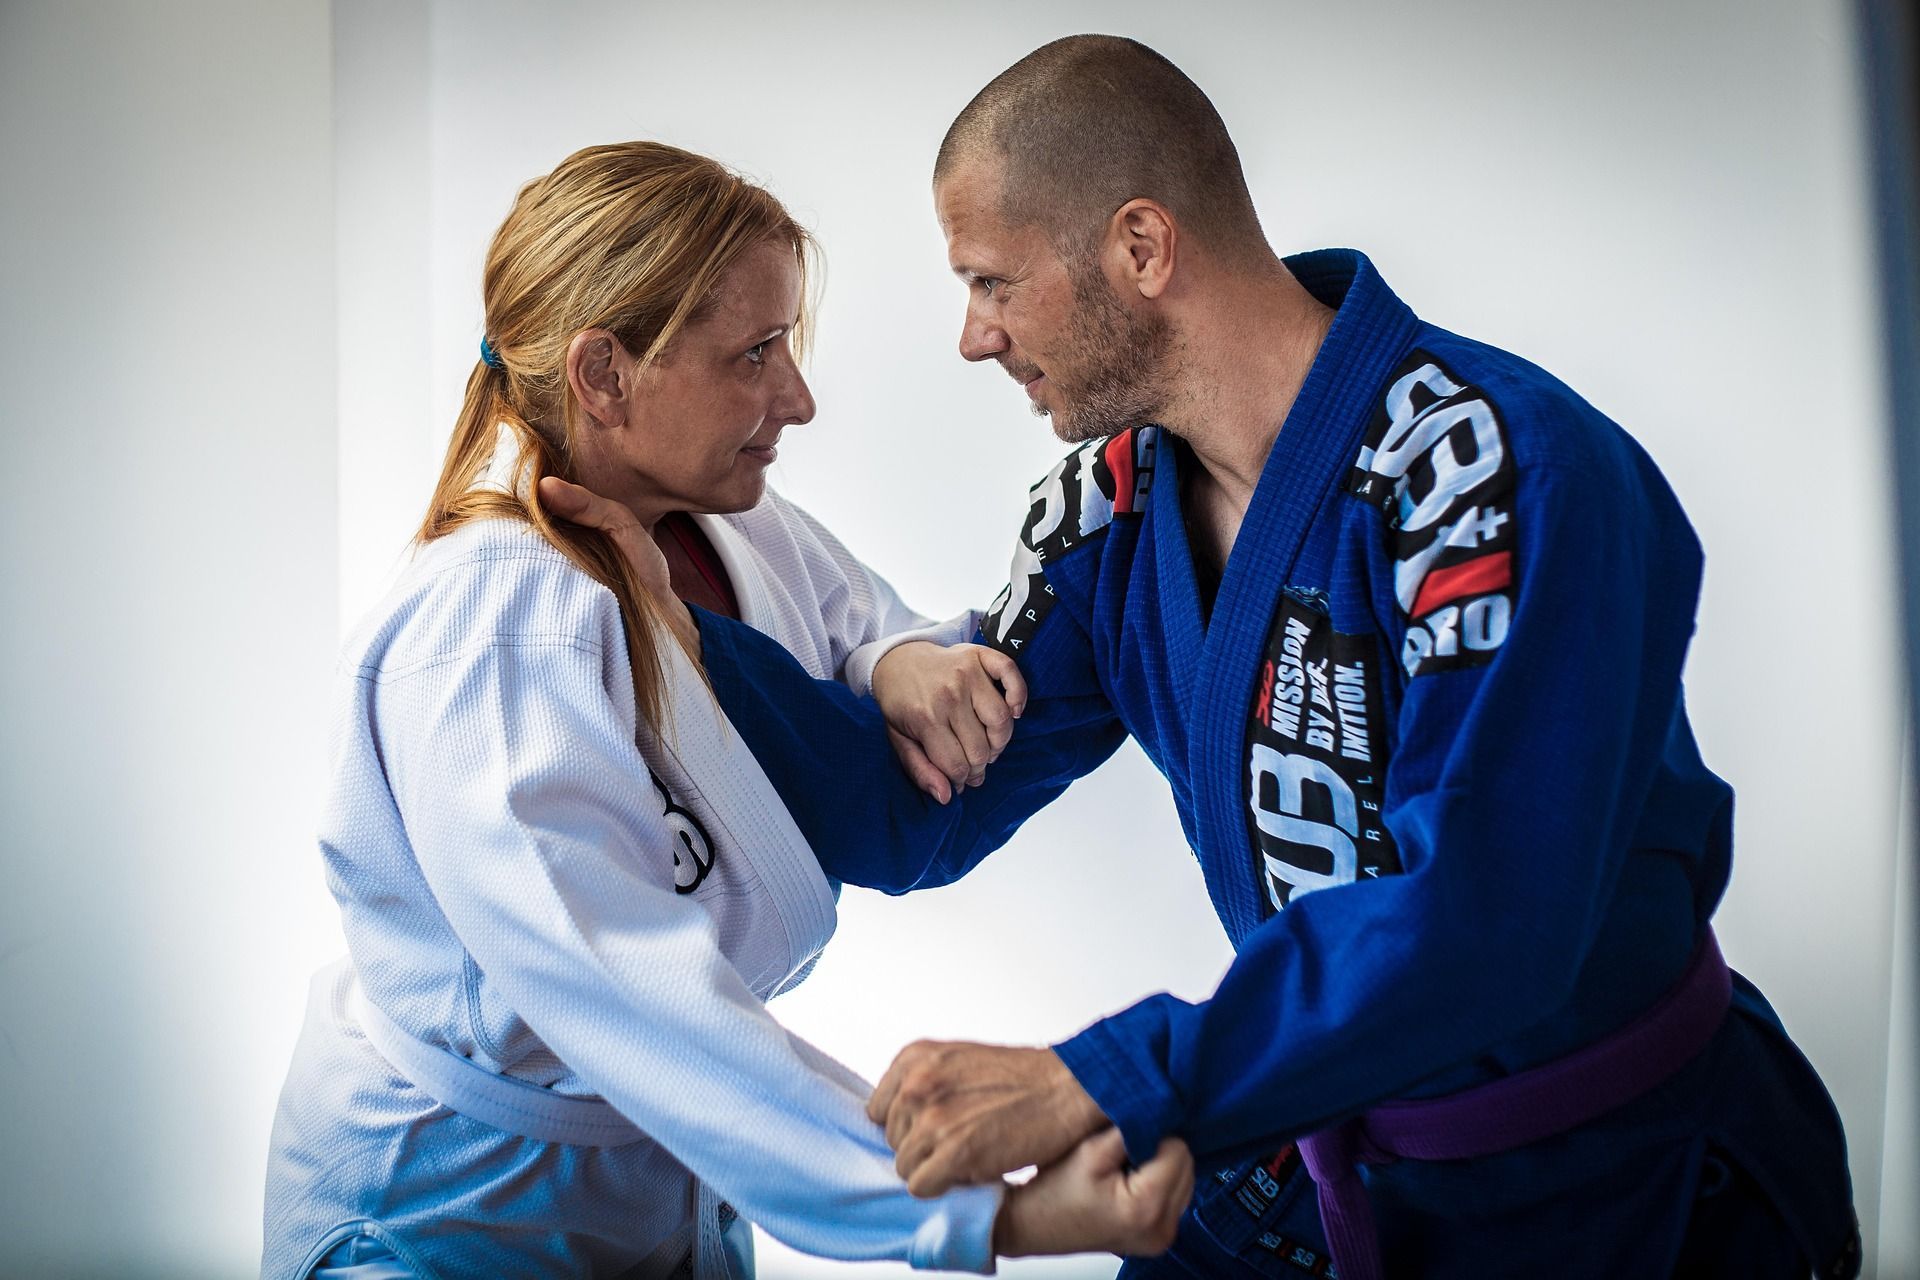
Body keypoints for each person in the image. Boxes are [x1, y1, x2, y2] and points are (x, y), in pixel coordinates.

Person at [572, 36, 1862, 1280]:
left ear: (1140, 246)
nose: (973, 336)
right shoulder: (1110, 516)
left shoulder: (1499, 477)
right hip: (1317, 1127)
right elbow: (919, 811)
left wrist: (1103, 1077)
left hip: (1604, 1169)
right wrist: (677, 622)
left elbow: (1487, 916)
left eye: (991, 281)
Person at [260, 139, 1194, 1280]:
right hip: (456, 1215)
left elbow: (861, 621)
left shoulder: (717, 517)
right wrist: (978, 1204)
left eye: (787, 347)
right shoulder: (502, 625)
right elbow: (638, 998)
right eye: (755, 353)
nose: (796, 397)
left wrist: (896, 659)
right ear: (604, 373)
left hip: (667, 1175)